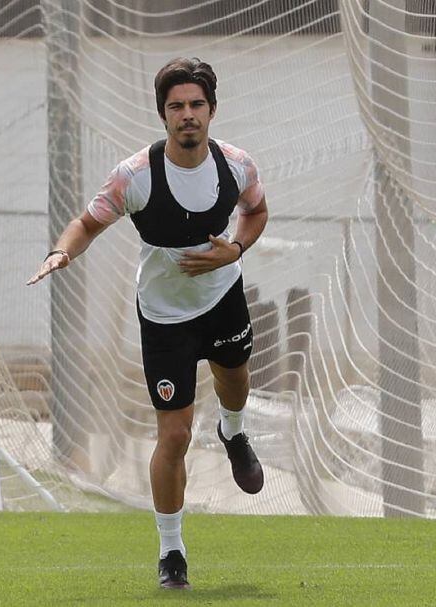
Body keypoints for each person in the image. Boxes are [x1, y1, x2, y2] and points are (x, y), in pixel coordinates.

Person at [26, 57, 269, 591]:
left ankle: (233, 431)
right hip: (164, 316)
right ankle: (171, 552)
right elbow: (87, 223)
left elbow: (256, 212)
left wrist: (236, 251)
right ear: (162, 114)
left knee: (235, 380)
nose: (188, 115)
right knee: (175, 434)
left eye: (196, 105)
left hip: (223, 298)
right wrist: (61, 253)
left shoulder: (237, 164)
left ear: (212, 110)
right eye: (177, 106)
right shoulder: (135, 175)